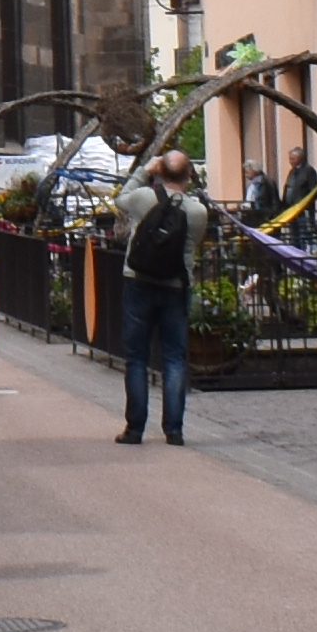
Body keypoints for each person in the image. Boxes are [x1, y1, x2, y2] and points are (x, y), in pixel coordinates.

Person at [107, 146, 206, 444]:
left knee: (137, 357)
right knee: (174, 357)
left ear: (160, 172)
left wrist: (143, 171)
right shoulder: (197, 211)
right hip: (176, 286)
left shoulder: (142, 199)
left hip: (138, 280)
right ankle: (173, 430)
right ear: (189, 175)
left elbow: (120, 199)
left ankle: (135, 428)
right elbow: (194, 244)